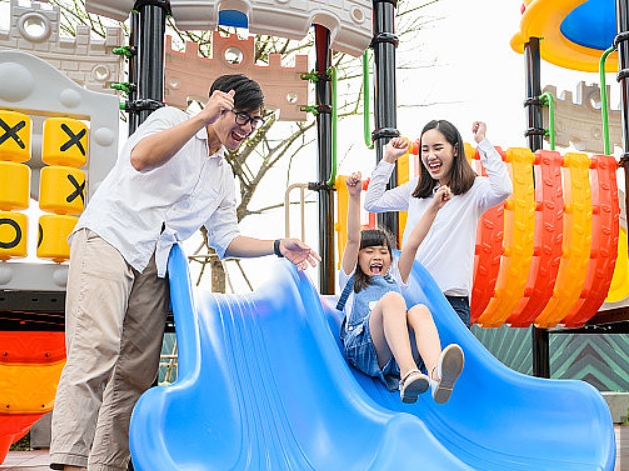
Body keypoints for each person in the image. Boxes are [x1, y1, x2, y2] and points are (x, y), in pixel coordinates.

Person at [49, 74, 320, 471]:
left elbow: (225, 239)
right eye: (240, 117)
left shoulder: (222, 177)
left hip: (155, 263)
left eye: (254, 122)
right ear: (218, 105)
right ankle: (70, 461)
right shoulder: (170, 120)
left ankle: (107, 464)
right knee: (97, 349)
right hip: (112, 238)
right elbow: (142, 159)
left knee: (137, 371)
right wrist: (201, 119)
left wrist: (278, 246)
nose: (246, 128)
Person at [364, 120, 513, 327]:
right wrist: (388, 159)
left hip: (450, 301)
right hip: (412, 298)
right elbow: (372, 203)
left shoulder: (473, 190)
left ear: (455, 150)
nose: (430, 156)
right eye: (425, 149)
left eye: (437, 148)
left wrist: (482, 142)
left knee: (452, 357)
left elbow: (503, 189)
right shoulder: (417, 189)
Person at [338, 171, 464, 404]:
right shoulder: (349, 279)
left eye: (383, 252)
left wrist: (435, 206)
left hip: (395, 354)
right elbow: (353, 239)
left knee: (419, 311)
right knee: (393, 301)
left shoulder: (394, 277)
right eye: (369, 251)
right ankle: (408, 375)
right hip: (364, 349)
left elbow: (413, 243)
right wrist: (354, 197)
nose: (378, 256)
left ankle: (435, 375)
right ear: (357, 257)